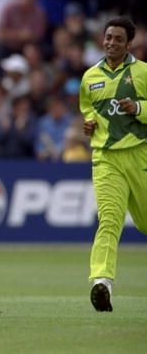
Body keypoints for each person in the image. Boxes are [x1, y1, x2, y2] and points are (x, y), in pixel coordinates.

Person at [80, 17, 147, 312]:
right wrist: (89, 124)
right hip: (105, 158)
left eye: (118, 39)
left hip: (140, 154)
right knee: (109, 220)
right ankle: (101, 282)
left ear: (128, 43)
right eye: (108, 37)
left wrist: (140, 107)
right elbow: (87, 109)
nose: (111, 43)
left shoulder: (142, 72)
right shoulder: (89, 77)